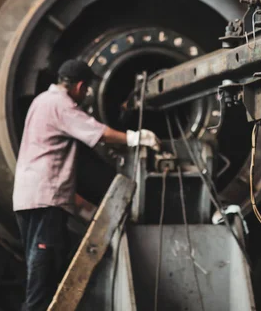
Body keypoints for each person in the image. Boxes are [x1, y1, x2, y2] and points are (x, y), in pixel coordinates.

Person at [12, 59, 160, 311]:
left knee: (40, 268)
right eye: (87, 88)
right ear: (80, 86)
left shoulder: (41, 101)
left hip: (27, 198)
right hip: (45, 200)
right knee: (44, 272)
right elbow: (97, 132)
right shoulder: (61, 104)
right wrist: (136, 137)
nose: (87, 94)